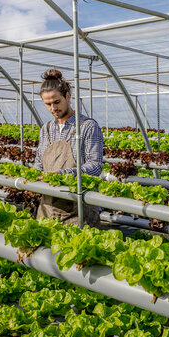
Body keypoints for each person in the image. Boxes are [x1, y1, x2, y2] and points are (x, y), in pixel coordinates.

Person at [34, 69, 103, 226]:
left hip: (77, 210)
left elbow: (95, 166)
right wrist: (35, 175)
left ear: (68, 96)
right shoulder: (46, 129)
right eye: (48, 104)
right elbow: (39, 162)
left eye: (57, 102)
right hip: (47, 208)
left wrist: (63, 175)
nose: (53, 108)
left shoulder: (87, 126)